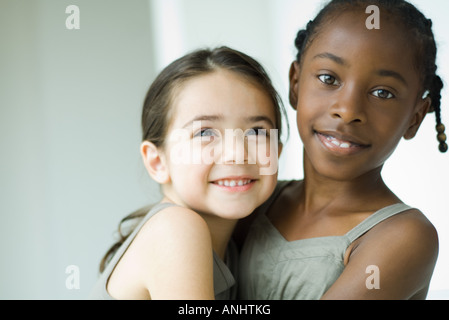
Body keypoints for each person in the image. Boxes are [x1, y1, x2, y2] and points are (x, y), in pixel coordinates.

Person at [237, 0, 447, 300]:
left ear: (414, 118)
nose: (348, 111)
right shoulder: (254, 202)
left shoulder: (404, 236)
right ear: (295, 83)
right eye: (328, 78)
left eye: (382, 93)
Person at [89, 47, 286, 300]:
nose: (237, 153)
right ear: (158, 161)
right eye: (205, 133)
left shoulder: (237, 244)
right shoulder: (175, 228)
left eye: (257, 132)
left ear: (277, 151)